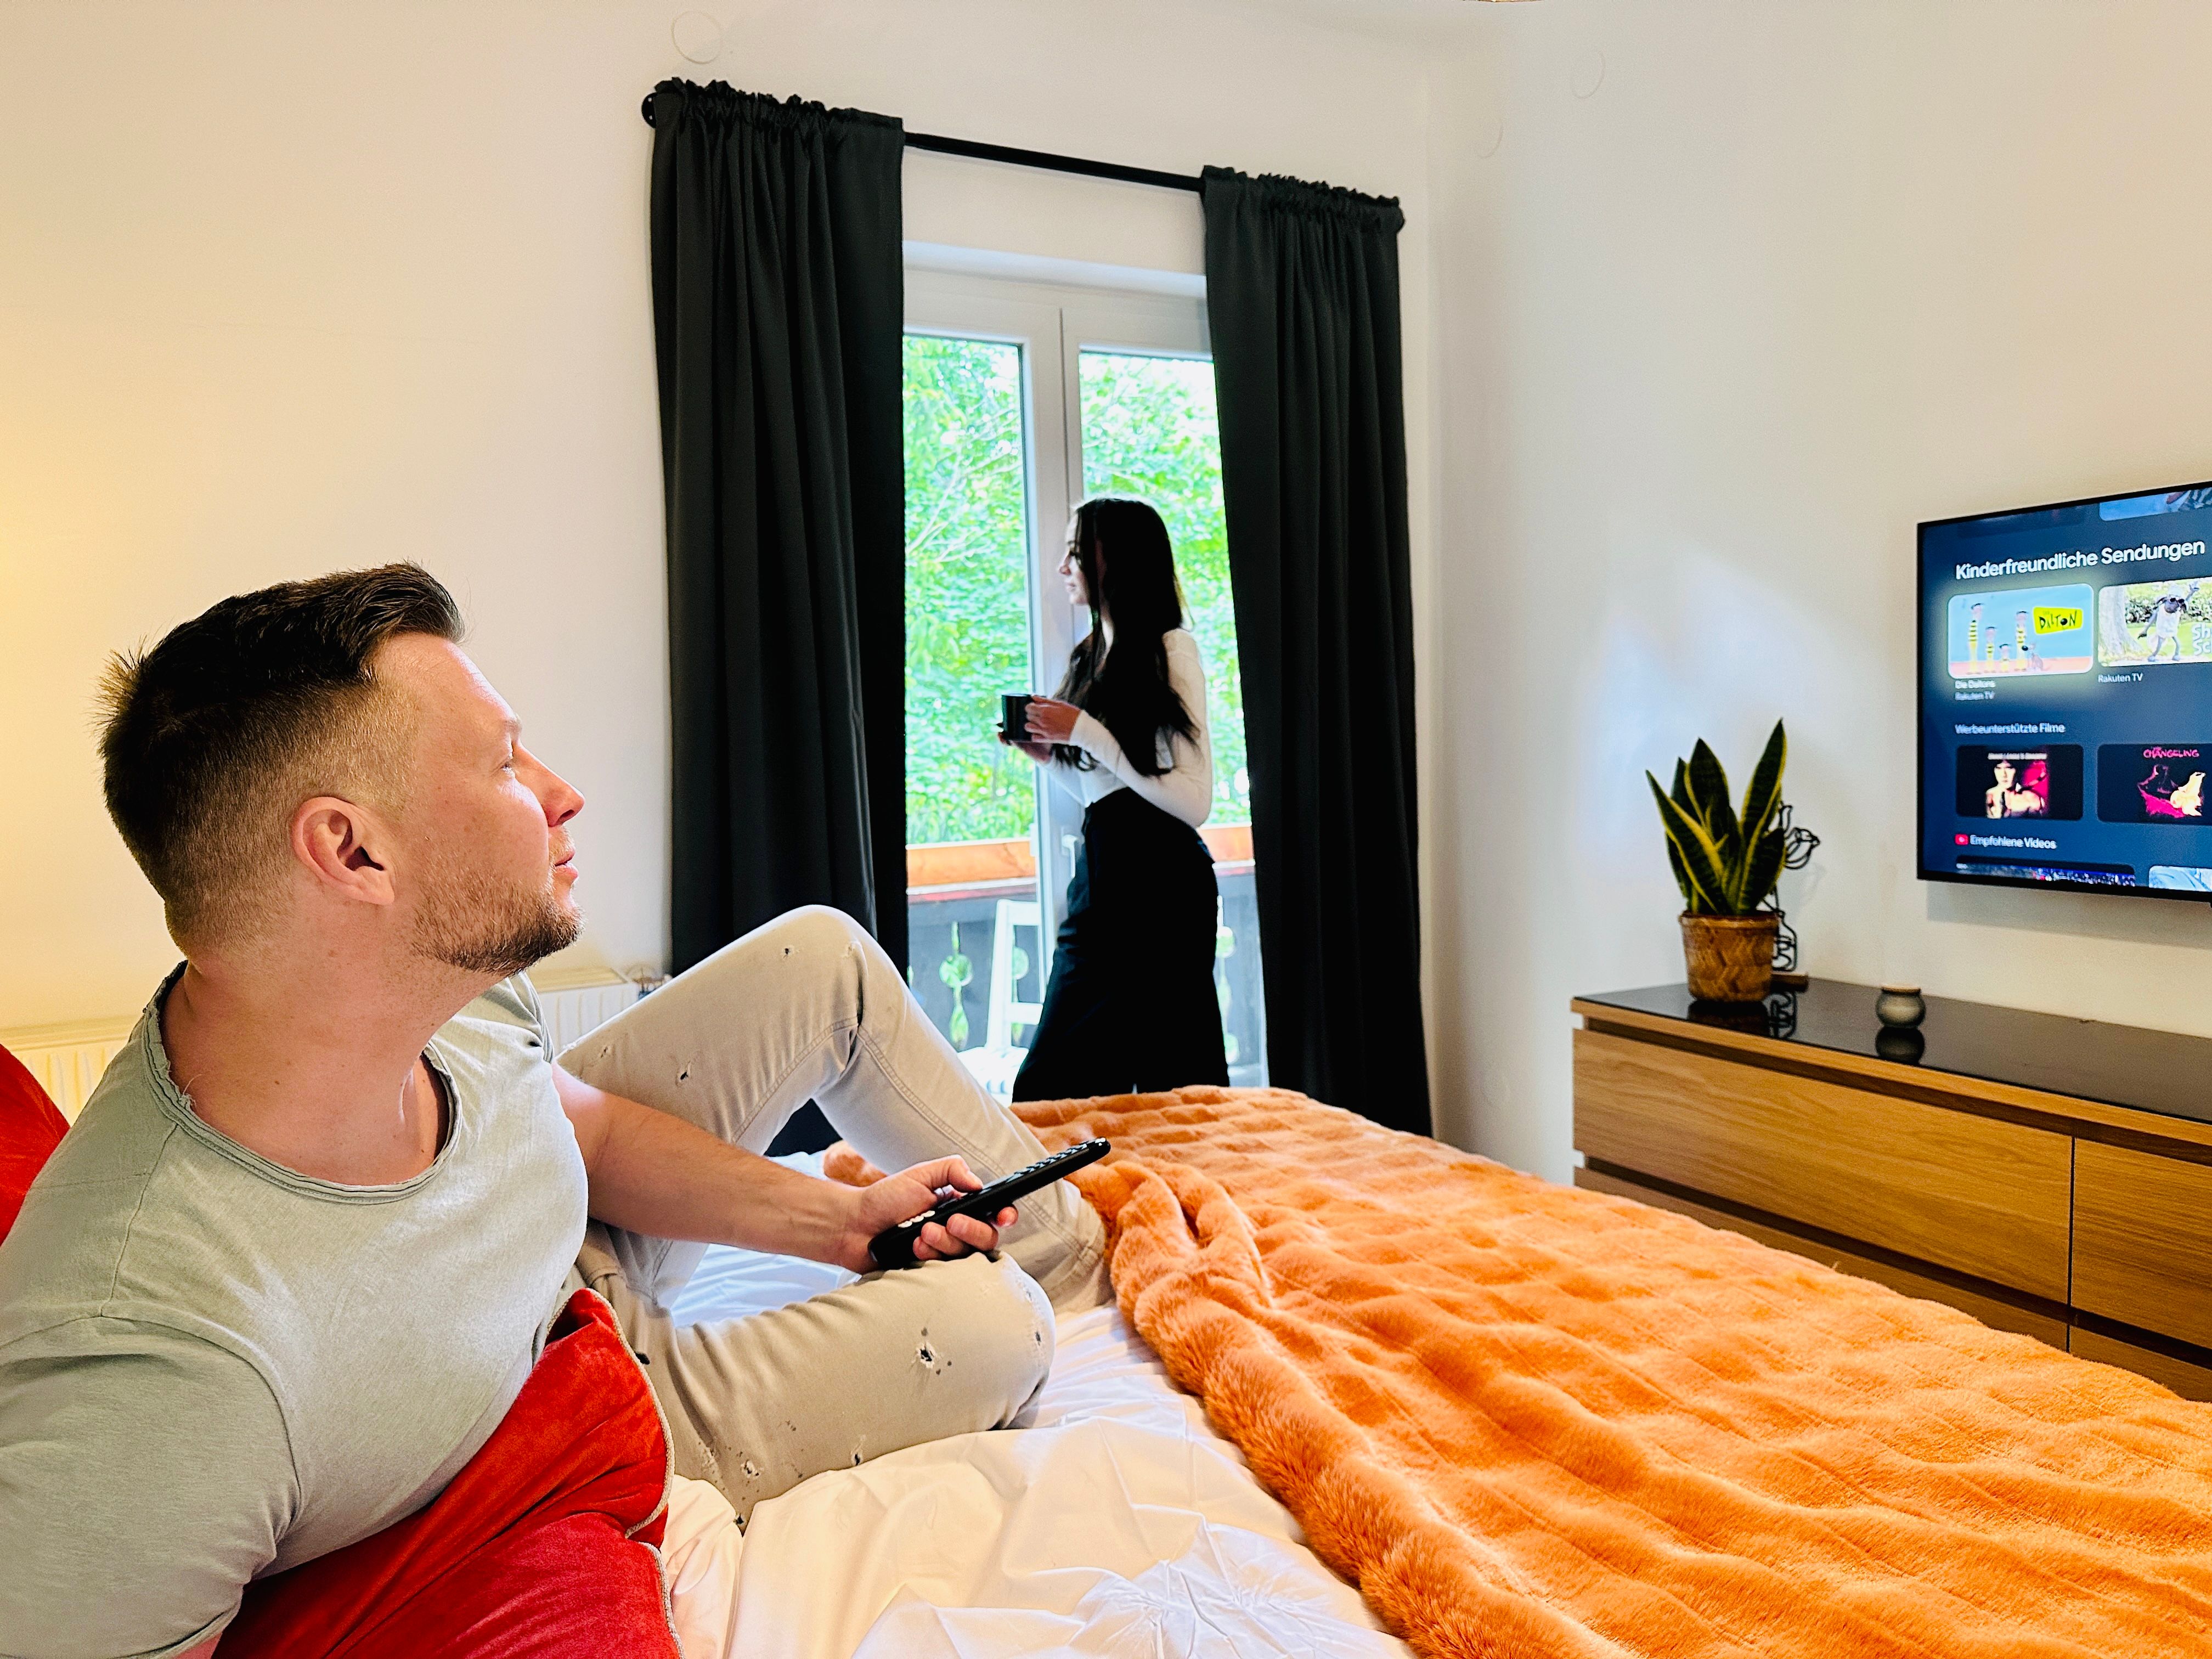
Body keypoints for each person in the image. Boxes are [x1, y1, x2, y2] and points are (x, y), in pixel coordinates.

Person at [0, 566, 1108, 1659]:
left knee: (821, 957)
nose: (561, 792)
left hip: (566, 1252)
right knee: (999, 1321)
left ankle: (1079, 1247)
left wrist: (841, 1223)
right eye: (503, 763)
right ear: (353, 850)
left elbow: (585, 1124)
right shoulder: (154, 1365)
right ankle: (1048, 1279)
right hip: (577, 1396)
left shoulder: (444, 979)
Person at [1002, 497, 1231, 1102]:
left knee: (1176, 1083)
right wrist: (1051, 758)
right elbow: (1107, 794)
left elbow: (1194, 800)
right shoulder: (1092, 657)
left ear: (1115, 560)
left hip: (1165, 889)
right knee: (1054, 1084)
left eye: (1075, 551)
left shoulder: (1171, 649)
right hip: (1104, 879)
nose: (1063, 567)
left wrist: (1082, 732)